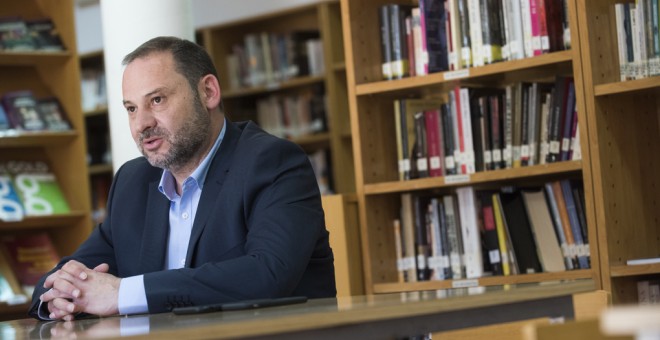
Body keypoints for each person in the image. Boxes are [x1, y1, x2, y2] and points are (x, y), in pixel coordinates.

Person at [29, 36, 336, 321]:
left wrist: (121, 294)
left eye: (157, 100)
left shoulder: (273, 163)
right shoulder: (133, 182)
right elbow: (63, 277)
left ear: (208, 92)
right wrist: (61, 296)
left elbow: (267, 275)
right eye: (132, 108)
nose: (142, 124)